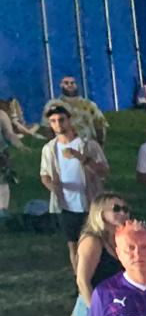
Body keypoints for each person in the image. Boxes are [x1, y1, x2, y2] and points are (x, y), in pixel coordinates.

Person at [40, 103, 109, 264]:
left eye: (61, 120)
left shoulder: (88, 145)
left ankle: (99, 274)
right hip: (66, 205)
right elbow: (44, 175)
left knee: (98, 243)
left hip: (90, 203)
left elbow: (104, 171)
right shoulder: (49, 149)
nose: (58, 124)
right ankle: (79, 277)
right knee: (73, 246)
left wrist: (80, 157)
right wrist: (54, 188)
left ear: (69, 120)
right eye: (53, 121)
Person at [70, 193, 130, 316]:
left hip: (115, 307)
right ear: (100, 213)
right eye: (116, 208)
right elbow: (82, 281)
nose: (123, 213)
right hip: (95, 308)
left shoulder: (120, 239)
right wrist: (97, 313)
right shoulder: (93, 241)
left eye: (125, 209)